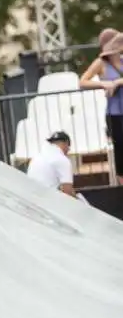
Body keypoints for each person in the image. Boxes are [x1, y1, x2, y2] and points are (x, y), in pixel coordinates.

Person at [79, 29, 123, 185]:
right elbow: (83, 81)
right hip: (115, 113)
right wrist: (103, 84)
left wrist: (118, 82)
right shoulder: (101, 64)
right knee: (120, 148)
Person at [26, 130, 76, 198]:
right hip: (49, 202)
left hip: (31, 199)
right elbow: (67, 191)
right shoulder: (62, 160)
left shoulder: (36, 158)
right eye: (68, 147)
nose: (68, 150)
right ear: (66, 143)